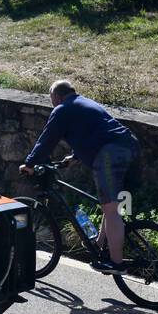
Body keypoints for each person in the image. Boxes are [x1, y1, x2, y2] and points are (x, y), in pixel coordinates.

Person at [19, 80, 139, 273]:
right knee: (109, 204)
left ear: (57, 96)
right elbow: (94, 131)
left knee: (111, 210)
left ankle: (116, 264)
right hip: (128, 145)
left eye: (51, 99)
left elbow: (47, 139)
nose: (52, 103)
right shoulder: (83, 102)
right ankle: (100, 246)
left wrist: (30, 163)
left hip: (110, 153)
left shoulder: (62, 109)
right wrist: (74, 157)